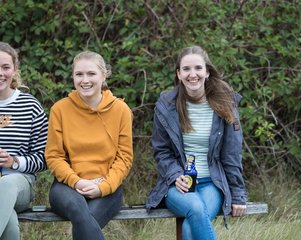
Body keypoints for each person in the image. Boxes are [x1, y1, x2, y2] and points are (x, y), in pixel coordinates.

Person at [146, 45, 247, 240]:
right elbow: (161, 151)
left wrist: (237, 194)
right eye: (186, 69)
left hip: (212, 184)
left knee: (190, 229)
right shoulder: (166, 106)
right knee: (195, 208)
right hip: (177, 186)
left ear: (207, 72)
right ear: (179, 73)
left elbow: (232, 154)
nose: (193, 74)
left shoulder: (225, 104)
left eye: (198, 68)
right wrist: (175, 175)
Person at [45, 51, 133, 240]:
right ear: (73, 77)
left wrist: (104, 186)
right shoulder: (60, 109)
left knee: (87, 222)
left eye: (91, 74)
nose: (85, 80)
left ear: (104, 75)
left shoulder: (120, 110)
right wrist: (76, 181)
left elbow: (124, 158)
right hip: (66, 186)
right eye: (79, 74)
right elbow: (54, 156)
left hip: (107, 187)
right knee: (79, 211)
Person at [0, 42, 48, 240]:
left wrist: (14, 161)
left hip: (19, 183)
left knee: (6, 186)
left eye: (5, 67)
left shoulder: (30, 106)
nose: (0, 73)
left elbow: (44, 158)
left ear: (14, 70)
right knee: (8, 219)